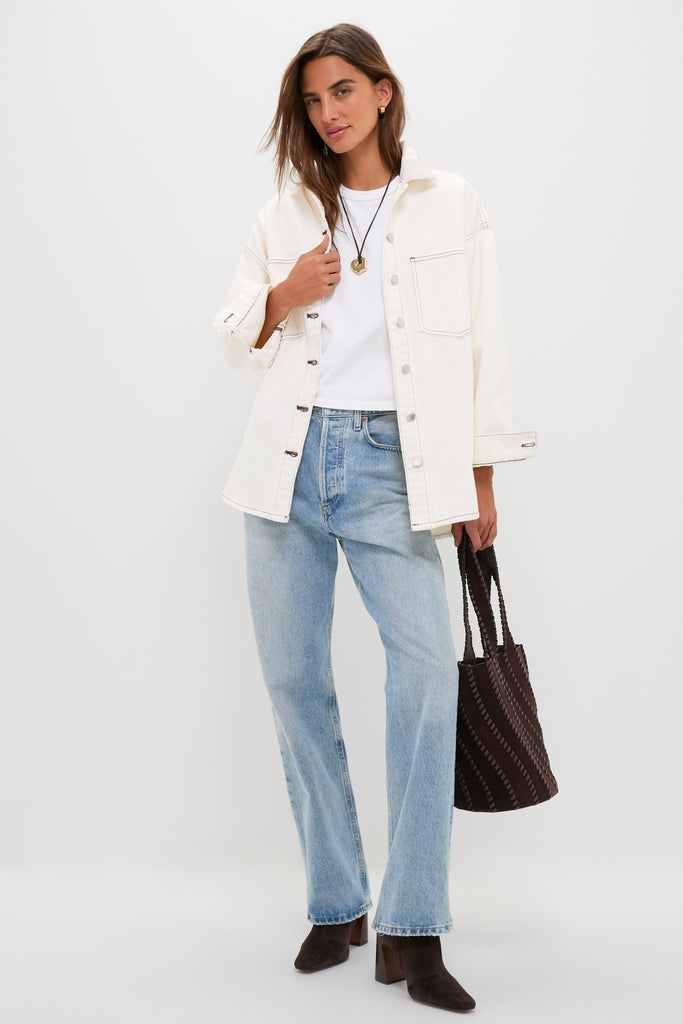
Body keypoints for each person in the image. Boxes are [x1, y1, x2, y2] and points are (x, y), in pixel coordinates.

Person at [214, 23, 536, 1014]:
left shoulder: (448, 205)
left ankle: (412, 925)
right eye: (313, 100)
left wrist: (479, 479)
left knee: (424, 685)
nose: (330, 112)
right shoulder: (284, 213)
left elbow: (481, 344)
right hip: (287, 467)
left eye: (344, 90)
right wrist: (282, 293)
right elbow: (233, 339)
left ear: (384, 92)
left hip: (398, 467)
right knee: (295, 685)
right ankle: (336, 900)